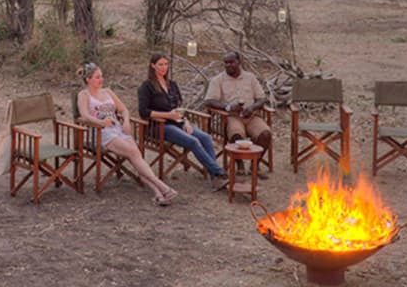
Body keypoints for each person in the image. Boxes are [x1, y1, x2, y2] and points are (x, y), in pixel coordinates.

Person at [76, 63, 179, 206]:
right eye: (97, 77)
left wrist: (126, 122)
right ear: (88, 79)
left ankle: (159, 193)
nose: (101, 79)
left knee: (136, 155)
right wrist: (100, 123)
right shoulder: (84, 95)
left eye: (102, 76)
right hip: (100, 132)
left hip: (117, 129)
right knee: (133, 152)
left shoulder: (108, 92)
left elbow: (124, 109)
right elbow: (84, 116)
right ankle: (161, 186)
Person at [137, 54, 228, 190]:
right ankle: (219, 172)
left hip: (178, 122)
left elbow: (179, 107)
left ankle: (215, 177)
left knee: (206, 138)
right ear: (152, 66)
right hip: (159, 126)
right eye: (160, 64)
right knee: (193, 141)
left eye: (166, 64)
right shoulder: (147, 86)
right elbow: (143, 112)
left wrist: (185, 121)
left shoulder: (172, 84)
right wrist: (168, 115)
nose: (164, 68)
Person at [204, 51, 273, 178]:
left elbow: (262, 98)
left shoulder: (250, 78)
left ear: (239, 62)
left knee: (265, 134)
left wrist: (252, 108)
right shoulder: (218, 80)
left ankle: (255, 165)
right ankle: (239, 164)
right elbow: (209, 101)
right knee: (236, 135)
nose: (228, 65)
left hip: (251, 116)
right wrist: (228, 107)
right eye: (226, 63)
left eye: (231, 62)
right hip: (232, 116)